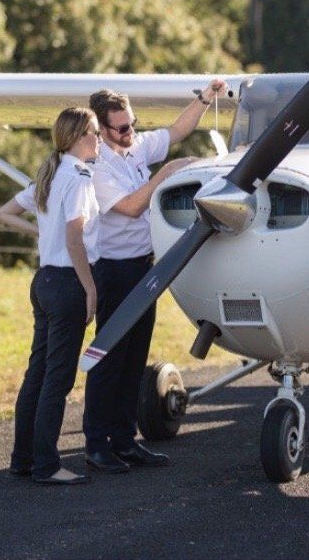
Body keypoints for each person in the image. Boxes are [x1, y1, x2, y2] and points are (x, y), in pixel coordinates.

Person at [82, 80, 225, 473]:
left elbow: (177, 131)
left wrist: (205, 98)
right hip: (114, 270)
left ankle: (124, 440)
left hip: (144, 266)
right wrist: (163, 176)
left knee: (135, 357)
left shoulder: (134, 146)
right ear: (102, 130)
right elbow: (130, 207)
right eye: (121, 128)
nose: (130, 132)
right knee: (110, 357)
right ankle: (96, 444)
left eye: (133, 123)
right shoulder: (98, 167)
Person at [0, 107, 101, 485]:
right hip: (68, 283)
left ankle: (23, 459)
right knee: (57, 379)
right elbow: (75, 239)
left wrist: (42, 233)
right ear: (77, 137)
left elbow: (4, 213)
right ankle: (46, 465)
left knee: (37, 373)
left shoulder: (51, 174)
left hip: (43, 281)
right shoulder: (79, 178)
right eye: (94, 133)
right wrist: (90, 287)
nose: (99, 139)